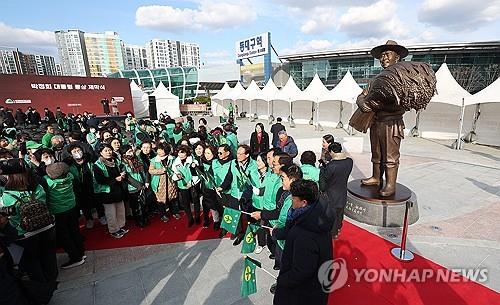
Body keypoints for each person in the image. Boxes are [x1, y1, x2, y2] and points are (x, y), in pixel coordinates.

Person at [356, 40, 409, 197]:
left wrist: (378, 105)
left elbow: (403, 102)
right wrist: (361, 102)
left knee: (391, 156)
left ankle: (390, 184)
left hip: (391, 122)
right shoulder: (376, 79)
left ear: (397, 57)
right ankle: (376, 177)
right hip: (376, 122)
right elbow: (362, 94)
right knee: (377, 152)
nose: (383, 57)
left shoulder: (401, 77)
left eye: (387, 54)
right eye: (381, 55)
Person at [272, 179, 332, 305]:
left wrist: (282, 280)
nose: (291, 201)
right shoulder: (316, 214)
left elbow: (301, 271)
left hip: (304, 293)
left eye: (293, 199)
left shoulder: (305, 233)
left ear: (304, 202)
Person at [1, 159, 58, 283]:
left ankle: (42, 284)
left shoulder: (7, 195)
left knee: (33, 259)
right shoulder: (37, 187)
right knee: (48, 254)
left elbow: (12, 217)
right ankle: (52, 278)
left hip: (26, 233)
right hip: (46, 226)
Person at [44, 162, 86, 268]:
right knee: (75, 231)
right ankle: (81, 253)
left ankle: (75, 258)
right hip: (72, 207)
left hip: (58, 211)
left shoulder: (48, 181)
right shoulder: (69, 176)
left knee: (64, 236)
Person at [221, 144, 259, 245]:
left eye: (240, 153)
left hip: (247, 195)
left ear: (247, 155)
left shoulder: (254, 165)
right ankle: (240, 233)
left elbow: (255, 182)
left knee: (249, 216)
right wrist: (222, 187)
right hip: (235, 193)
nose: (237, 155)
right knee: (235, 215)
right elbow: (229, 176)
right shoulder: (233, 163)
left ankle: (251, 232)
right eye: (237, 153)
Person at [93, 144, 129, 239]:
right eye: (106, 151)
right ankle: (113, 230)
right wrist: (115, 179)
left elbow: (120, 170)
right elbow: (100, 180)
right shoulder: (97, 165)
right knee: (111, 213)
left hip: (117, 189)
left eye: (109, 150)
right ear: (100, 153)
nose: (109, 152)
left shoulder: (115, 160)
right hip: (107, 192)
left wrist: (122, 174)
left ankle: (121, 226)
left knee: (120, 210)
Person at [66, 143, 105, 229]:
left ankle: (101, 216)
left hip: (93, 185)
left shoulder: (89, 160)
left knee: (98, 202)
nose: (77, 152)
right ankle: (89, 219)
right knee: (84, 204)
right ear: (71, 154)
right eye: (74, 151)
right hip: (80, 188)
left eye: (79, 150)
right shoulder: (69, 165)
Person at [319, 142, 353, 239]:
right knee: (340, 213)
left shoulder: (331, 166)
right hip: (342, 192)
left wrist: (322, 169)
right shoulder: (349, 162)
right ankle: (338, 229)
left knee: (332, 215)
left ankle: (333, 233)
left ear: (332, 151)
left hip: (331, 194)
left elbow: (324, 181)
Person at [149, 142, 179, 222]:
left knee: (172, 198)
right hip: (159, 183)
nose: (159, 151)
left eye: (161, 150)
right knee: (160, 200)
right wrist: (161, 171)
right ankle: (163, 215)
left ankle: (175, 212)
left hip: (170, 182)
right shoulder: (154, 160)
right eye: (158, 149)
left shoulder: (172, 158)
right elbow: (151, 171)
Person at [172, 145, 201, 227]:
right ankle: (190, 219)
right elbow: (173, 174)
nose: (181, 155)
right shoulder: (175, 163)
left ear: (187, 153)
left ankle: (197, 217)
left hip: (192, 184)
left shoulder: (192, 161)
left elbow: (196, 174)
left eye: (183, 153)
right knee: (186, 203)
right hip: (182, 185)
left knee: (196, 201)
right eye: (179, 153)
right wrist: (177, 175)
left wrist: (191, 183)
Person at [122, 145, 150, 228]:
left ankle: (144, 217)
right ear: (124, 153)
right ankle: (139, 220)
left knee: (143, 203)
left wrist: (146, 181)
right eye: (129, 151)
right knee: (135, 206)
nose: (131, 153)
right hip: (132, 188)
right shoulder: (123, 163)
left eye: (131, 151)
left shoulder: (137, 160)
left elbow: (144, 171)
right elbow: (127, 177)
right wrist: (139, 185)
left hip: (142, 185)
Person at [201, 145, 223, 231]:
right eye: (205, 153)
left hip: (215, 188)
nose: (206, 155)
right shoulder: (202, 161)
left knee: (215, 206)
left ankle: (218, 221)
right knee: (207, 206)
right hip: (205, 188)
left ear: (213, 154)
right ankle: (211, 220)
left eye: (208, 153)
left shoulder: (216, 163)